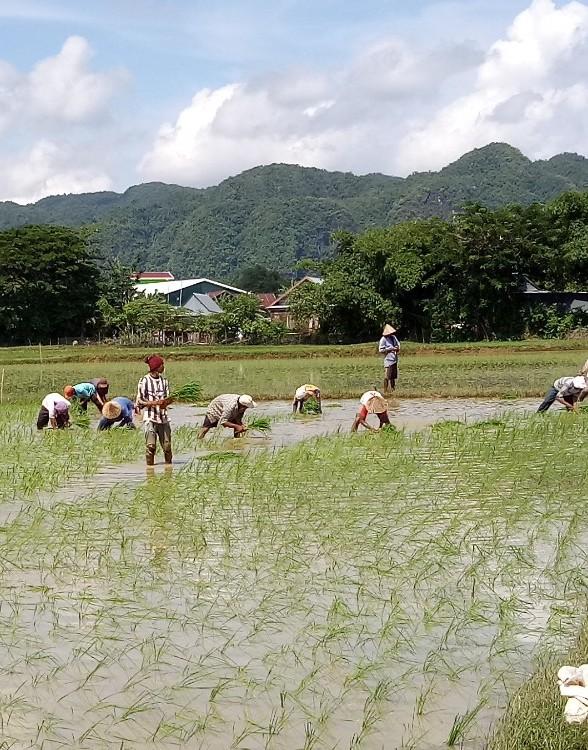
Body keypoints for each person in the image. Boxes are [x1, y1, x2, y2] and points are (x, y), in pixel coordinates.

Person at [135, 355, 173, 466]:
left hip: (163, 418)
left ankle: (168, 468)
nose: (163, 367)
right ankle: (150, 470)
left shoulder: (164, 381)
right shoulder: (144, 381)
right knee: (151, 447)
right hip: (150, 417)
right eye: (162, 365)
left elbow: (168, 398)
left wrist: (166, 402)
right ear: (156, 367)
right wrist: (155, 403)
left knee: (167, 446)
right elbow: (140, 402)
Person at [379, 324, 400, 392]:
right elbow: (381, 350)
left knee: (392, 377)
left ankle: (393, 390)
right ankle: (385, 390)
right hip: (388, 359)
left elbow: (398, 345)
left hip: (394, 359)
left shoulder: (393, 338)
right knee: (387, 376)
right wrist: (389, 349)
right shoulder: (383, 339)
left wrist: (396, 348)